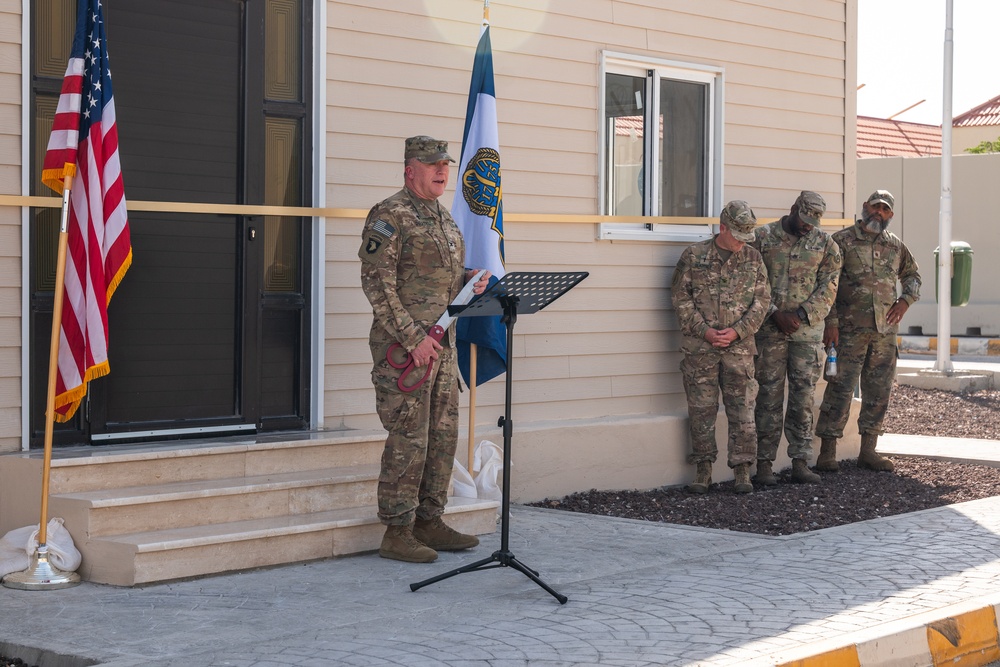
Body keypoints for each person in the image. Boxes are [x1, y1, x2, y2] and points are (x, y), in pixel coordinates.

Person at [359, 135, 491, 563]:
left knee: (442, 435)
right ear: (409, 168)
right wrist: (413, 339)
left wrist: (469, 278)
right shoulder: (389, 215)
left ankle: (429, 520)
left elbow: (438, 278)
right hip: (406, 348)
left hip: (442, 346)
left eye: (445, 164)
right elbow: (377, 283)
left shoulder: (444, 218)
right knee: (409, 438)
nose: (441, 170)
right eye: (431, 163)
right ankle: (397, 531)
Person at [814, 190, 921, 473]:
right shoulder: (842, 242)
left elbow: (913, 275)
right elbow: (827, 284)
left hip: (884, 333)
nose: (879, 213)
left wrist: (905, 300)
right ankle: (827, 453)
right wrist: (831, 322)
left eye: (885, 210)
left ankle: (868, 451)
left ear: (891, 215)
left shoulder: (895, 246)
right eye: (875, 207)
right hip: (847, 332)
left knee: (878, 391)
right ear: (865, 207)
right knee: (839, 389)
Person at [671, 200, 771, 494]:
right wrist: (705, 332)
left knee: (743, 410)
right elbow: (680, 298)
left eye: (746, 238)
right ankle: (703, 469)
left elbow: (762, 301)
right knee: (701, 410)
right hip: (700, 349)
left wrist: (738, 331)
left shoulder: (753, 259)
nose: (741, 244)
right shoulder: (694, 256)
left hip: (739, 351)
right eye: (737, 236)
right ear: (722, 228)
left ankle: (742, 470)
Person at [751, 191, 843, 485]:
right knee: (767, 397)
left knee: (803, 398)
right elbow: (752, 281)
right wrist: (775, 313)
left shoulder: (826, 244)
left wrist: (802, 314)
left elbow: (829, 287)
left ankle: (800, 462)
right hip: (769, 331)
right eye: (803, 220)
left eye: (812, 223)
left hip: (807, 335)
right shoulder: (762, 238)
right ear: (793, 209)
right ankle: (764, 464)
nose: (807, 227)